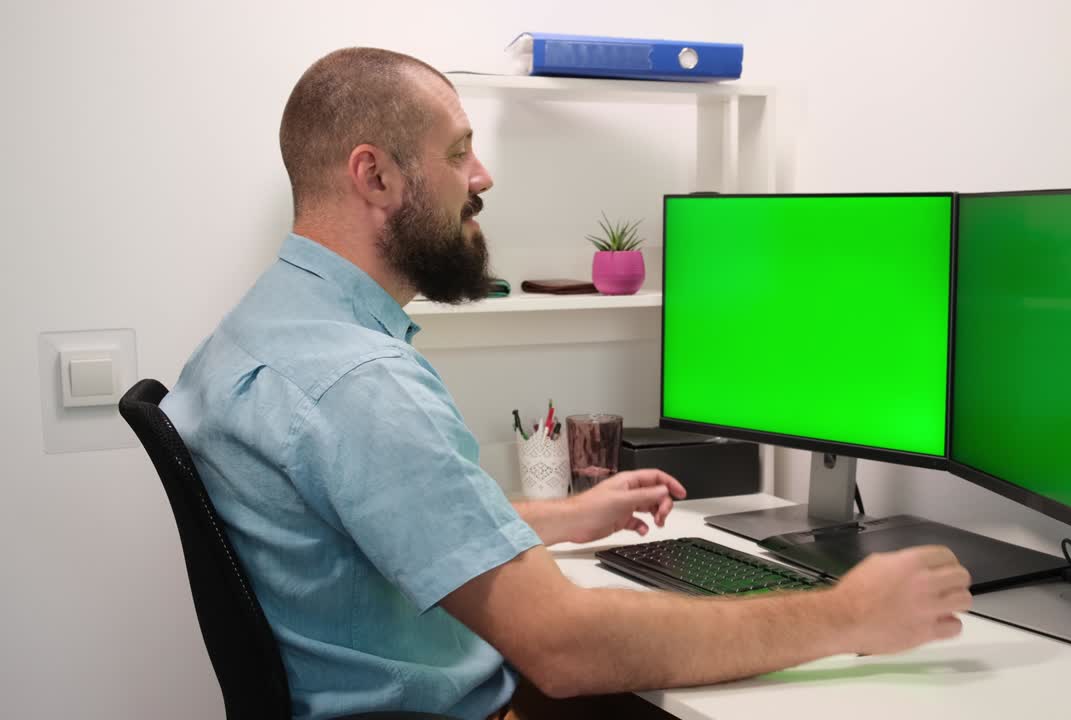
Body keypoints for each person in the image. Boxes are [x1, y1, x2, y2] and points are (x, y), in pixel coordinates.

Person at [162, 47, 973, 720]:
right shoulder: (361, 383)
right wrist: (849, 615)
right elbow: (564, 646)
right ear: (373, 177)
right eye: (457, 152)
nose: (481, 176)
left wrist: (563, 516)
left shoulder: (261, 331)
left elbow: (378, 513)